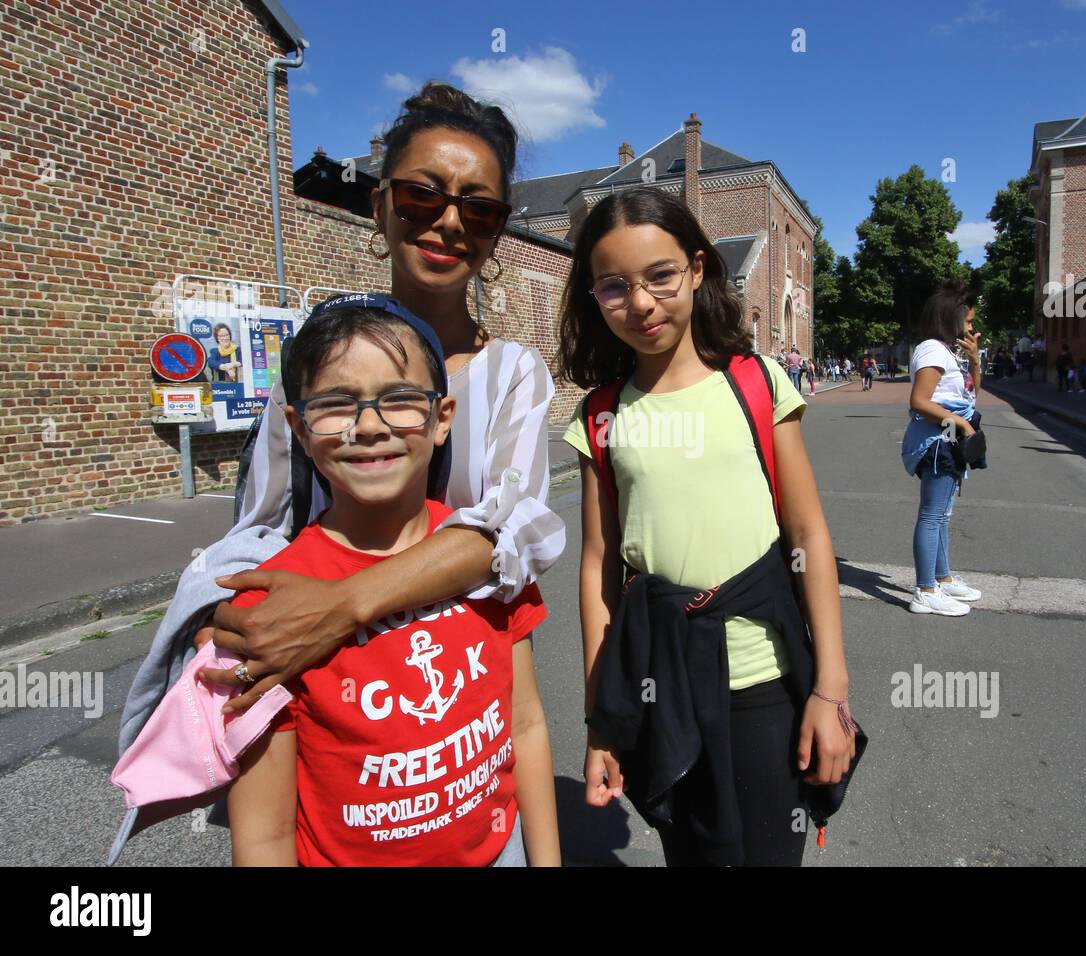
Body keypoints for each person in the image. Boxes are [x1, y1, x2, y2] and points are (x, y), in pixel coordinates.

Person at [118, 81, 567, 845]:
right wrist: (227, 618)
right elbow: (260, 525)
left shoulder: (510, 373)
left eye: (479, 208)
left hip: (454, 722)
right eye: (422, 195)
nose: (450, 221)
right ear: (382, 207)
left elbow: (512, 535)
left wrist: (340, 605)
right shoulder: (316, 356)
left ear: (496, 233)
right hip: (331, 716)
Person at [556, 186, 856, 866]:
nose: (640, 303)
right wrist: (602, 722)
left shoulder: (757, 382)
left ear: (696, 269)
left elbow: (809, 537)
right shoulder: (601, 416)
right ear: (593, 296)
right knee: (692, 855)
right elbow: (599, 570)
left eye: (660, 276)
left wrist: (830, 691)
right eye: (613, 286)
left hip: (765, 680)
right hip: (661, 685)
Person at [212, 299, 558, 866]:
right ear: (297, 428)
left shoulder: (494, 563)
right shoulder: (271, 610)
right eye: (334, 404)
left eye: (399, 400)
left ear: (442, 417)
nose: (369, 426)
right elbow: (264, 837)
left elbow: (525, 723)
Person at [901, 279, 984, 617]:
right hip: (938, 441)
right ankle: (925, 591)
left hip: (948, 440)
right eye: (968, 321)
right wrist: (962, 424)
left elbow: (973, 393)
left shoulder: (948, 351)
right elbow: (919, 401)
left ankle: (943, 579)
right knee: (932, 516)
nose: (972, 328)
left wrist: (975, 361)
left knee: (943, 515)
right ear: (951, 317)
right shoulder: (933, 350)